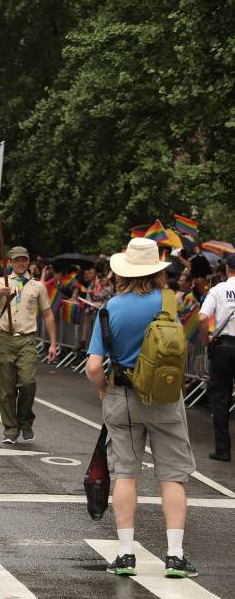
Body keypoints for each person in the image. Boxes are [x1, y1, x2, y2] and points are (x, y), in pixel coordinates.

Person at [86, 237, 198, 579]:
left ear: (124, 271)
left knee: (126, 475)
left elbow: (93, 366)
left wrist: (104, 389)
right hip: (165, 398)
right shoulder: (169, 302)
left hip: (123, 397)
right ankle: (176, 555)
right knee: (173, 477)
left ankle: (125, 554)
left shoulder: (110, 309)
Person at [0, 246, 58, 444]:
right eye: (16, 260)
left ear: (28, 262)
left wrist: (53, 343)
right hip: (4, 338)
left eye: (24, 260)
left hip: (26, 339)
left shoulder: (37, 286)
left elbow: (47, 314)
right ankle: (10, 428)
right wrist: (0, 291)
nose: (20, 263)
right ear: (9, 262)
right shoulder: (1, 282)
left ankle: (25, 420)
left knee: (27, 382)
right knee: (6, 388)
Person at [198, 253, 235, 462]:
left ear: (227, 269)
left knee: (220, 399)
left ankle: (223, 449)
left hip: (222, 348)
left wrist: (206, 340)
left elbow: (203, 317)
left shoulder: (218, 290)